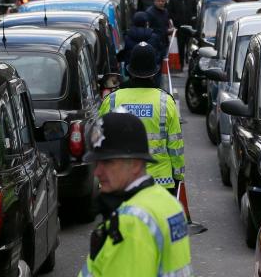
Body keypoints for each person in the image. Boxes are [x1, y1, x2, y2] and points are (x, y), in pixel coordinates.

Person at [78, 111, 191, 277]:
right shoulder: (168, 202)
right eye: (97, 162)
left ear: (136, 164)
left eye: (108, 162)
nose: (97, 171)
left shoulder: (130, 222)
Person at [99, 43, 185, 192]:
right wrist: (178, 176)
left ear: (130, 70)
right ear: (153, 73)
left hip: (120, 182)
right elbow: (175, 145)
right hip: (160, 183)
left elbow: (100, 144)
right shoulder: (165, 102)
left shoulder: (111, 101)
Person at [145, 0, 170, 64]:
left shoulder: (165, 12)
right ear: (154, 1)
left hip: (164, 43)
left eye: (162, 1)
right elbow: (148, 29)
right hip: (154, 44)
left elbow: (165, 26)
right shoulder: (149, 13)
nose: (160, 3)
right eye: (158, 1)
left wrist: (168, 31)